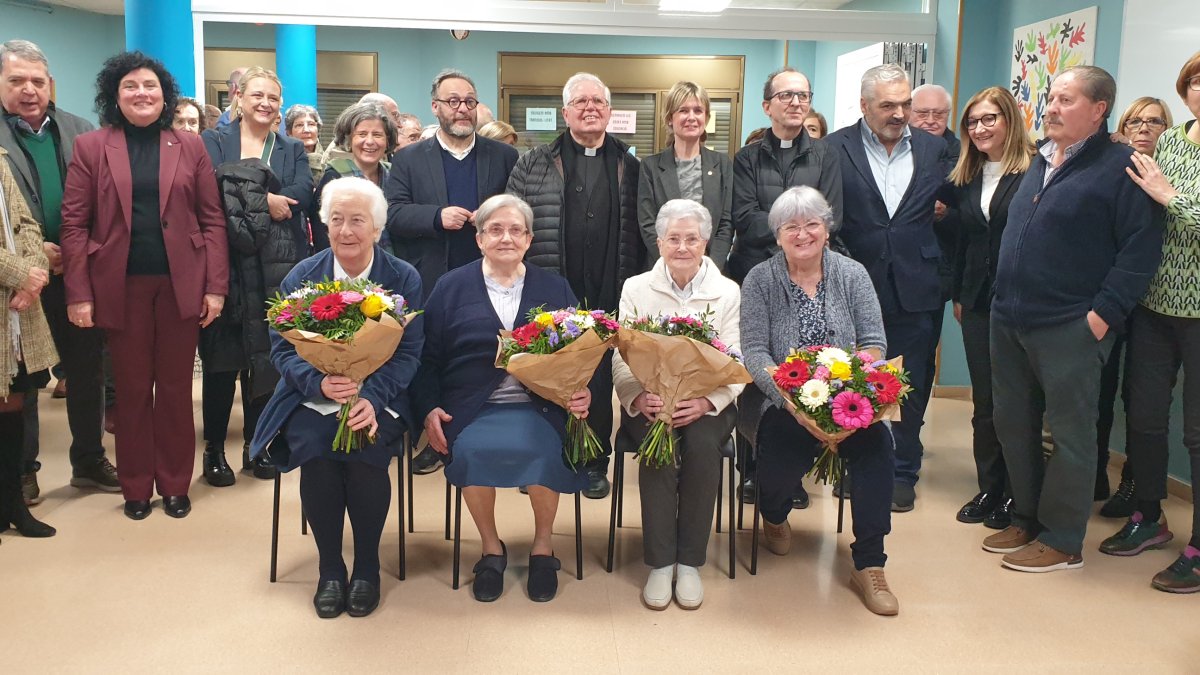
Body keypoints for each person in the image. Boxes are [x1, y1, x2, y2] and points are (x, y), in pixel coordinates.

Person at [983, 65, 1161, 573]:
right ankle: (1027, 517)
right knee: (1012, 423)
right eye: (1051, 99)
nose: (1052, 108)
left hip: (1070, 325)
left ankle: (1062, 541)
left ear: (1099, 109)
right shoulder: (1039, 159)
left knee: (1070, 435)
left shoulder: (1124, 166)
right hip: (1010, 317)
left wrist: (1102, 316)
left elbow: (1139, 251)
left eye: (1065, 100)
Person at [60, 51, 228, 520]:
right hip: (120, 284)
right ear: (115, 95)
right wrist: (79, 292)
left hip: (181, 282)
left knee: (175, 390)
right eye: (130, 86)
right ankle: (135, 486)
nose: (142, 93)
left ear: (165, 95)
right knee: (132, 391)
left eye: (150, 86)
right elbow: (74, 225)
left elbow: (212, 220)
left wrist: (215, 287)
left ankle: (175, 483)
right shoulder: (93, 147)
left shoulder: (190, 146)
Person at [251, 177, 423, 618]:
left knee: (366, 445)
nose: (346, 230)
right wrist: (317, 383)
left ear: (378, 229)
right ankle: (330, 569)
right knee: (317, 447)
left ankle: (366, 567)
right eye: (337, 220)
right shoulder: (302, 277)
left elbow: (409, 353)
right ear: (324, 225)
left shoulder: (403, 277)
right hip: (311, 393)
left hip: (379, 395)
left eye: (358, 221)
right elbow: (281, 347)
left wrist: (373, 395)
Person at [413, 193, 590, 603]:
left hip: (541, 405)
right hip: (472, 407)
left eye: (515, 230)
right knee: (472, 452)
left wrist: (582, 394)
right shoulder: (450, 287)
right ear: (479, 239)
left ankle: (543, 547)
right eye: (495, 229)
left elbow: (586, 352)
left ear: (529, 239)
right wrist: (428, 409)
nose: (505, 238)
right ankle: (491, 549)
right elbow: (427, 358)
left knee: (545, 451)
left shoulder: (555, 286)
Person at [739, 186, 898, 616]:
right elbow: (754, 352)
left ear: (827, 230)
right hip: (782, 402)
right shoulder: (759, 279)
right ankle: (774, 514)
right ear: (777, 235)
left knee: (878, 449)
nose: (803, 233)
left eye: (812, 224)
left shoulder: (852, 274)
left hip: (849, 401)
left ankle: (869, 562)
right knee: (777, 458)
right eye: (791, 226)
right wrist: (792, 403)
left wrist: (855, 390)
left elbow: (873, 343)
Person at [506, 71, 642, 500]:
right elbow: (513, 219)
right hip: (550, 284)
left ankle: (593, 463)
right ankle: (545, 457)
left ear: (609, 112)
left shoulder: (629, 165)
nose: (589, 108)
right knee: (547, 372)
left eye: (598, 102)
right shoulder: (533, 163)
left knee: (598, 376)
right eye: (580, 102)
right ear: (565, 112)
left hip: (608, 284)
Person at [824, 64, 950, 512]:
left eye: (904, 104)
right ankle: (856, 467)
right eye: (888, 105)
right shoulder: (833, 148)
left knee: (909, 383)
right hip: (854, 286)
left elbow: (964, 209)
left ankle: (901, 472)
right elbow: (825, 218)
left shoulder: (938, 150)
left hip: (917, 287)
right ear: (864, 107)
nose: (899, 113)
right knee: (854, 380)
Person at [0, 39, 118, 503]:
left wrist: (79, 247)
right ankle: (22, 470)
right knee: (23, 377)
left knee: (87, 369)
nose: (28, 90)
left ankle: (88, 459)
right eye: (15, 81)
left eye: (36, 81)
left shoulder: (80, 129)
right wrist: (33, 259)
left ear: (50, 84)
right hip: (16, 282)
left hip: (76, 273)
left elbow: (106, 200)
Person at [1100, 53, 1200, 593]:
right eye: (1196, 82)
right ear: (1185, 91)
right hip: (1154, 306)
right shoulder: (1169, 142)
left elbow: (1169, 203)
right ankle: (1149, 516)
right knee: (1144, 419)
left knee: (1198, 434)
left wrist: (1172, 198)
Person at [386, 70, 518, 477]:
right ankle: (433, 435)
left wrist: (494, 216)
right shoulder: (409, 159)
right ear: (436, 107)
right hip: (434, 277)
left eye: (469, 102)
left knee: (488, 353)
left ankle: (489, 428)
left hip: (494, 277)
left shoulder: (503, 156)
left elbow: (519, 209)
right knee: (434, 355)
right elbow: (391, 215)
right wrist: (435, 216)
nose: (462, 109)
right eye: (453, 101)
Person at [613, 198, 742, 610]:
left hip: (707, 402)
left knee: (703, 447)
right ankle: (660, 561)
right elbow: (621, 352)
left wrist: (709, 401)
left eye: (691, 238)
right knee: (660, 445)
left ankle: (689, 561)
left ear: (705, 242)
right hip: (651, 400)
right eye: (674, 238)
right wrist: (637, 396)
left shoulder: (726, 291)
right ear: (658, 242)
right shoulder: (636, 287)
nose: (682, 247)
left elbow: (736, 358)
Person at [200, 66, 312, 487]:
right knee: (221, 362)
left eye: (273, 98)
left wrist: (243, 195)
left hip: (276, 265)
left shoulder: (291, 148)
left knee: (266, 360)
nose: (265, 104)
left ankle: (256, 443)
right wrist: (265, 197)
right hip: (225, 264)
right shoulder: (213, 141)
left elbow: (302, 193)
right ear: (239, 98)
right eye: (257, 95)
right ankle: (213, 450)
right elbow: (209, 190)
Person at [940, 86, 1034, 530]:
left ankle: (1018, 495)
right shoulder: (967, 175)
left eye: (989, 119)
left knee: (1016, 403)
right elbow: (964, 241)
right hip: (977, 300)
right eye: (973, 122)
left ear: (1009, 120)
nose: (979, 128)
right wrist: (959, 294)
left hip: (1021, 300)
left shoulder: (1034, 170)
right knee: (985, 403)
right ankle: (990, 487)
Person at [1096, 95, 1176, 519]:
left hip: (1160, 304)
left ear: (1169, 129)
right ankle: (1097, 475)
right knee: (1102, 390)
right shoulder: (1112, 168)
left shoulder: (1174, 171)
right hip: (1113, 297)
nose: (1144, 129)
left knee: (1140, 400)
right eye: (1135, 121)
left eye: (1155, 122)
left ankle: (1134, 483)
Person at [730, 67, 842, 283]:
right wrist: (802, 230)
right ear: (767, 107)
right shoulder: (746, 158)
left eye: (803, 95)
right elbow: (746, 220)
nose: (796, 102)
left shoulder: (827, 155)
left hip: (811, 271)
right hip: (755, 269)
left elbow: (831, 218)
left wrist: (789, 234)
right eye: (786, 95)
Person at [0, 147, 57, 540]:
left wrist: (34, 274)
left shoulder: (0, 157)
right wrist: (22, 273)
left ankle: (12, 506)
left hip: (17, 308)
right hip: (13, 286)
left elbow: (27, 224)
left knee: (14, 404)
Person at [637, 81, 733, 271]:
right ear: (670, 118)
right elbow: (648, 224)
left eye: (698, 110)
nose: (691, 117)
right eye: (683, 110)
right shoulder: (650, 167)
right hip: (664, 269)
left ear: (706, 118)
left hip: (710, 271)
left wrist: (709, 268)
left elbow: (726, 224)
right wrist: (674, 262)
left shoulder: (722, 164)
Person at [311, 102, 397, 252]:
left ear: (387, 140)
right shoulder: (334, 176)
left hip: (391, 262)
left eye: (377, 135)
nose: (370, 142)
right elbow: (321, 230)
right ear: (349, 140)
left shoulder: (395, 176)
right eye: (362, 134)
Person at [284, 104, 323, 181]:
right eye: (299, 125)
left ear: (318, 130)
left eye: (311, 124)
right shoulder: (282, 161)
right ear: (289, 132)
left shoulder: (330, 159)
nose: (306, 130)